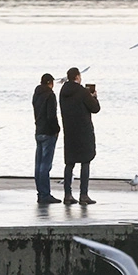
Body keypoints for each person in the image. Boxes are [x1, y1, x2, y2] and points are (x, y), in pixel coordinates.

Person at [58, 66, 100, 205]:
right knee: (85, 161)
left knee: (69, 163)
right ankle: (83, 194)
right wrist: (94, 97)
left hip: (69, 132)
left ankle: (67, 194)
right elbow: (95, 109)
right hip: (83, 132)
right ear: (77, 77)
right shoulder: (82, 92)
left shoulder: (63, 91)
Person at [32, 73, 61, 204]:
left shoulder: (36, 94)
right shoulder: (50, 95)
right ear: (50, 82)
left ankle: (40, 193)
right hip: (48, 132)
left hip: (38, 131)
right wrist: (57, 129)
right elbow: (51, 116)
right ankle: (45, 194)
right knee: (45, 165)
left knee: (38, 165)